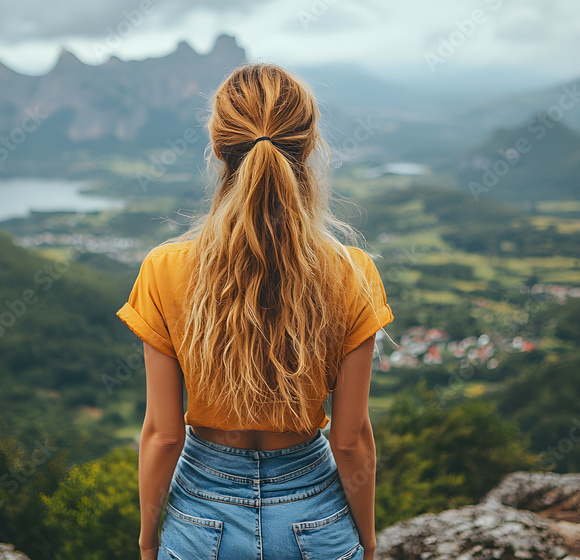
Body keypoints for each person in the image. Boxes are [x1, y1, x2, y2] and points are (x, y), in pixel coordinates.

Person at [117, 62, 393, 560]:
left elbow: (163, 436)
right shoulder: (353, 272)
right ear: (308, 147)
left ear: (218, 149)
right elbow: (351, 442)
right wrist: (368, 542)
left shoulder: (163, 268)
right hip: (314, 515)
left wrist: (148, 540)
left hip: (201, 519)